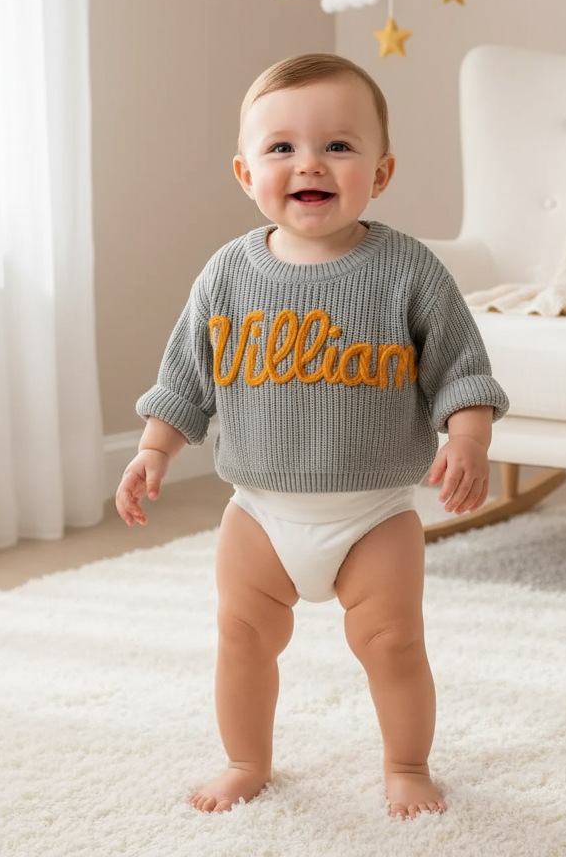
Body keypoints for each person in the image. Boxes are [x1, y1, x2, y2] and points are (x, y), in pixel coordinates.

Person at [115, 53, 508, 820]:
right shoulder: (227, 275)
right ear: (245, 171)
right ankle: (245, 759)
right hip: (259, 510)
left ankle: (406, 763)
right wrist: (152, 450)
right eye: (282, 148)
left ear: (381, 171)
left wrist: (469, 439)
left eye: (338, 145)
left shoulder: (407, 270)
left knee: (393, 643)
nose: (310, 164)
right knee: (241, 637)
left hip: (375, 515)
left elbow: (463, 368)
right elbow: (185, 380)